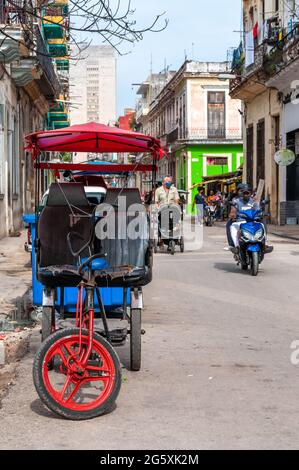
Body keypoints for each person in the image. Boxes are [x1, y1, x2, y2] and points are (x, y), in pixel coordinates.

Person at [228, 184, 260, 251]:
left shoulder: (254, 201)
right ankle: (236, 246)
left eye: (247, 193)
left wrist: (260, 214)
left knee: (262, 224)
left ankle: (262, 243)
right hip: (240, 221)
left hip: (252, 221)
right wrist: (233, 215)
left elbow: (258, 210)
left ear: (250, 193)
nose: (246, 194)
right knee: (232, 226)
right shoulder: (236, 201)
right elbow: (233, 210)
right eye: (244, 193)